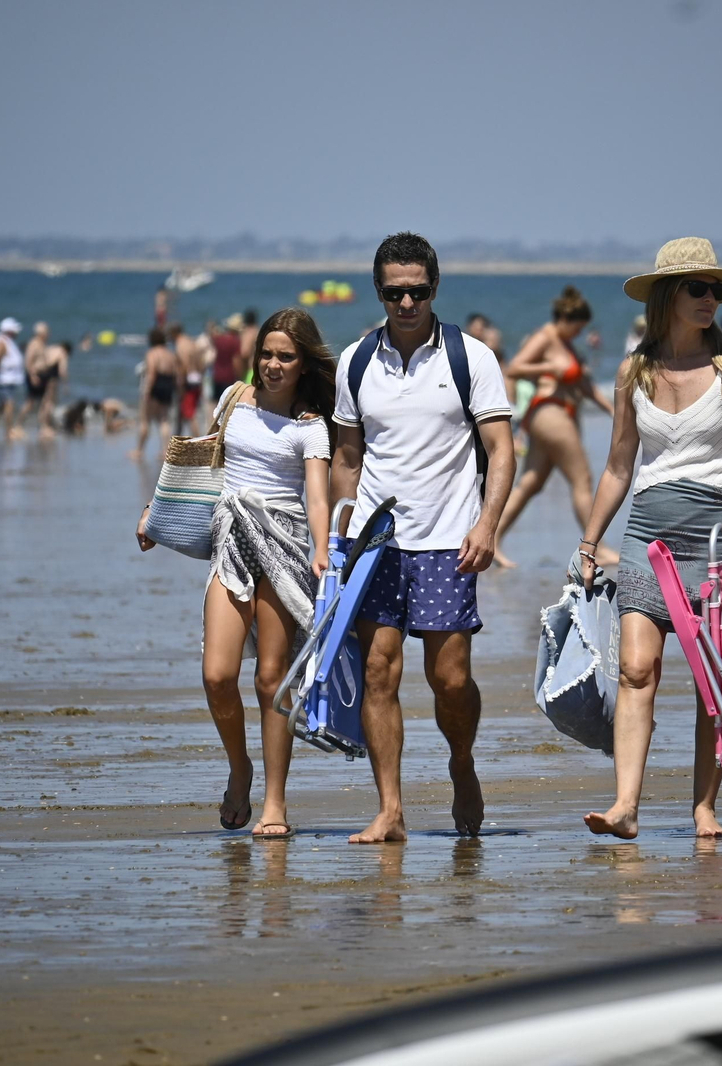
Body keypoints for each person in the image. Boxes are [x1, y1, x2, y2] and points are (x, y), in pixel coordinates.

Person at [574, 237, 722, 840]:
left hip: (719, 539)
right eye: (698, 287)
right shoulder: (633, 371)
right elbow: (617, 467)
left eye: (717, 289)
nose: (710, 298)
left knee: (714, 677)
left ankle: (703, 807)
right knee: (637, 669)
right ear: (668, 295)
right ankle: (626, 806)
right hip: (647, 536)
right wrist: (588, 544)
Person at [329, 232, 515, 844]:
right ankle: (391, 809)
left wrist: (488, 525)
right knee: (378, 674)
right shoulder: (356, 360)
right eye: (393, 293)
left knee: (450, 679)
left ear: (434, 288)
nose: (406, 304)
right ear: (378, 292)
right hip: (378, 544)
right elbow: (348, 455)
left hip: (448, 539)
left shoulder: (471, 357)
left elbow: (501, 451)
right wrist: (340, 527)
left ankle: (461, 762)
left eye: (417, 292)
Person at [136, 307, 335, 839]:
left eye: (285, 357)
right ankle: (239, 767)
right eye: (266, 354)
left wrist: (322, 549)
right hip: (231, 540)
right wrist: (158, 513)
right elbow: (202, 461)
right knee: (216, 675)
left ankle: (275, 803)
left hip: (286, 546)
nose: (272, 365)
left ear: (303, 363)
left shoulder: (311, 426)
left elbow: (317, 499)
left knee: (272, 677)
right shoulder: (232, 400)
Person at [493, 286, 616, 569]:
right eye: (578, 328)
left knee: (530, 483)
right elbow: (514, 368)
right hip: (549, 412)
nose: (579, 334)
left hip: (561, 413)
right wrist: (548, 367)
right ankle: (596, 549)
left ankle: (492, 539)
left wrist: (611, 410)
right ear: (565, 320)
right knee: (582, 479)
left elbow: (585, 387)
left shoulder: (567, 344)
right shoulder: (545, 337)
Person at [130, 327, 178, 461]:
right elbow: (176, 373)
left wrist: (147, 391)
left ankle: (139, 450)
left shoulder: (152, 353)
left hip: (156, 384)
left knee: (145, 419)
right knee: (164, 419)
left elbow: (151, 373)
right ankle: (165, 450)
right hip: (168, 384)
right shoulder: (170, 354)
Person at [0, 318, 26, 441]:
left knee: (2, 406)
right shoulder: (1, 341)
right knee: (9, 404)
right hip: (4, 379)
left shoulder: (7, 341)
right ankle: (8, 430)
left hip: (9, 379)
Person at [16, 322, 52, 433]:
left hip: (43, 375)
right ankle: (18, 425)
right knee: (30, 403)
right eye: (47, 332)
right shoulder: (34, 344)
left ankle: (43, 426)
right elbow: (28, 361)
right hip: (35, 375)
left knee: (44, 402)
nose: (48, 334)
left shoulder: (42, 343)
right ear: (41, 333)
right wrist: (33, 376)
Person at [169, 323, 204, 435]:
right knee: (182, 412)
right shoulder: (191, 342)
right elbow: (200, 363)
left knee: (190, 414)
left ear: (173, 333)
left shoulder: (180, 345)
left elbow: (184, 365)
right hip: (197, 378)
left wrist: (181, 383)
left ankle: (197, 440)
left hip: (188, 381)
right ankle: (176, 440)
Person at [41, 339, 70, 437]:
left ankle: (42, 425)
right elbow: (62, 370)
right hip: (52, 378)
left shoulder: (51, 348)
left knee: (44, 401)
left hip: (41, 375)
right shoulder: (62, 353)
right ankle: (47, 426)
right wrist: (66, 385)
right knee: (50, 402)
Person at [208, 317, 242, 401]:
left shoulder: (219, 339)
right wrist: (240, 377)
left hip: (217, 375)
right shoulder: (235, 341)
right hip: (229, 377)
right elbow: (236, 361)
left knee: (217, 404)